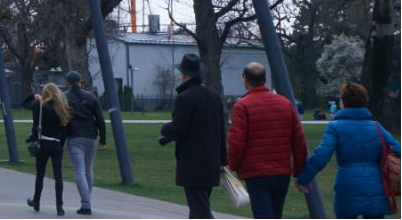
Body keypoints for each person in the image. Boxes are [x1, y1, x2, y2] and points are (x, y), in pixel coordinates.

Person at [295, 81, 400, 219]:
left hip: (347, 185)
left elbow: (322, 155)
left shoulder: (335, 127)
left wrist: (304, 178)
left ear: (342, 102)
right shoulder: (376, 127)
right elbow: (398, 150)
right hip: (375, 184)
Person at [226, 62, 307, 219]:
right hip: (281, 171)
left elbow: (236, 142)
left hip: (256, 172)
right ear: (265, 79)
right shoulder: (285, 104)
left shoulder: (242, 106)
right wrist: (299, 170)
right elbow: (298, 141)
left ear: (245, 79)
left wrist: (233, 165)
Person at [158, 53, 226, 219]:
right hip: (211, 160)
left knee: (199, 209)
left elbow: (178, 128)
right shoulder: (214, 97)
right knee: (199, 206)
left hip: (193, 162)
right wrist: (223, 159)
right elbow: (222, 130)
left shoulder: (185, 98)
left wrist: (164, 130)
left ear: (185, 75)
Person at [64, 70, 107, 216]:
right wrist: (103, 138)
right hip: (90, 136)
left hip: (75, 136)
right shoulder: (91, 97)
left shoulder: (65, 97)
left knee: (79, 170)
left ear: (68, 83)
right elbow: (100, 119)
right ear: (80, 81)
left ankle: (86, 204)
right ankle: (86, 202)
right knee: (89, 168)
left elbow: (62, 120)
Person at [27, 82, 71, 216]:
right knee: (58, 176)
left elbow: (27, 108)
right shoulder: (61, 109)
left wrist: (33, 97)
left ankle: (37, 201)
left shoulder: (41, 107)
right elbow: (65, 130)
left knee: (40, 174)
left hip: (44, 142)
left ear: (45, 93)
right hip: (56, 143)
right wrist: (61, 143)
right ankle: (59, 206)